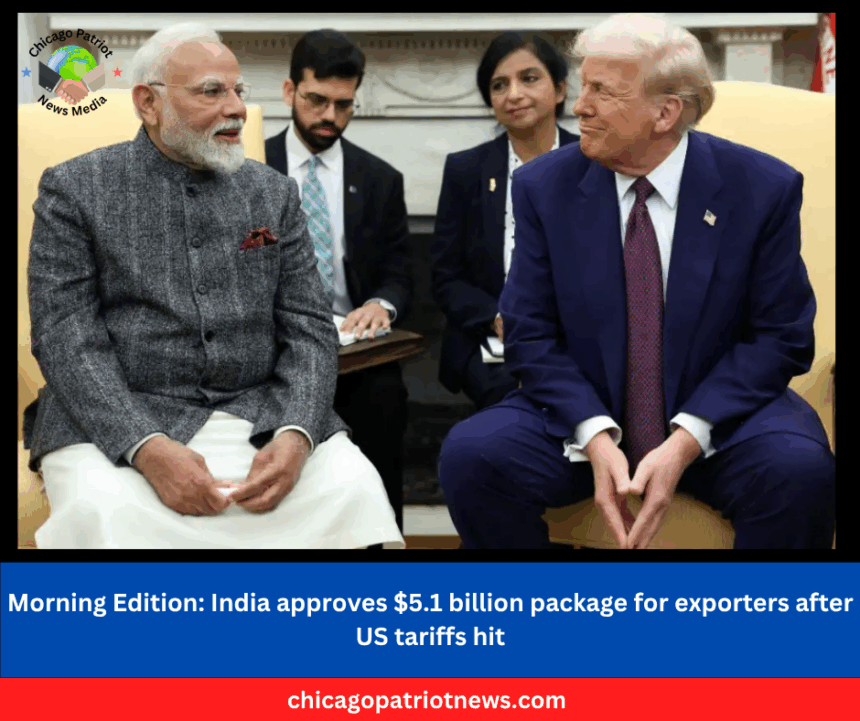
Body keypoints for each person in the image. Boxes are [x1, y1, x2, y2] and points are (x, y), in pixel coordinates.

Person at [437, 13, 835, 550]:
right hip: (585, 413)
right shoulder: (543, 187)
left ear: (665, 112)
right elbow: (529, 332)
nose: (579, 107)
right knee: (472, 456)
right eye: (583, 87)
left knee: (799, 470)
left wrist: (687, 437)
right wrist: (594, 434)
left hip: (723, 419)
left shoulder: (761, 187)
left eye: (601, 91)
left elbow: (782, 336)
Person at [24, 22, 404, 549]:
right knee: (109, 513)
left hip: (258, 412)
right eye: (211, 91)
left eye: (238, 91)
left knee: (353, 487)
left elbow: (310, 329)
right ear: (148, 103)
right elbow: (65, 337)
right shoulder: (75, 190)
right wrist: (145, 446)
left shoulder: (273, 194)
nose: (237, 109)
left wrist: (297, 432)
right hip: (115, 419)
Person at [265, 30, 412, 535]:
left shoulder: (380, 179)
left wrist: (382, 303)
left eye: (344, 105)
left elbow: (400, 270)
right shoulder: (250, 165)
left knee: (386, 400)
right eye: (316, 100)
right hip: (271, 353)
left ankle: (380, 546)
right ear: (289, 91)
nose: (330, 116)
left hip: (354, 353)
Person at [430, 32, 579, 411]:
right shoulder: (466, 170)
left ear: (560, 89)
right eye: (499, 85)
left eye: (529, 78)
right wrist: (497, 318)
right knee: (510, 401)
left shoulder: (594, 163)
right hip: (492, 339)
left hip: (579, 336)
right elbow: (446, 277)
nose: (514, 94)